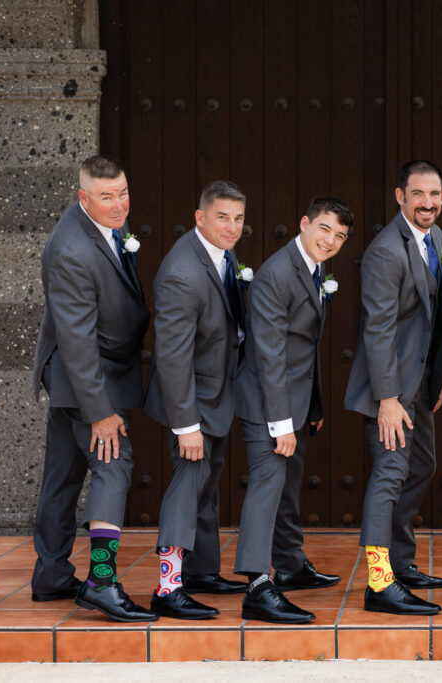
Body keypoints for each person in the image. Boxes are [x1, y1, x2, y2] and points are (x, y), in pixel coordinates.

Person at [30, 154, 155, 622]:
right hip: (86, 377)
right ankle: (101, 580)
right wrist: (101, 411)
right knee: (112, 464)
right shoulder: (70, 251)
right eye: (107, 197)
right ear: (83, 197)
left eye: (123, 192)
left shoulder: (104, 224)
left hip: (86, 372)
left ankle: (52, 574)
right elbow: (77, 342)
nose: (119, 205)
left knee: (63, 474)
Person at [232, 197, 353, 623]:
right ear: (304, 223)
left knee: (287, 484)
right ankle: (257, 585)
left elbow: (305, 348)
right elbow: (270, 355)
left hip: (296, 401)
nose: (330, 240)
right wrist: (281, 424)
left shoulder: (314, 268)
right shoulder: (275, 275)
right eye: (324, 229)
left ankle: (288, 563)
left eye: (339, 236)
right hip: (267, 402)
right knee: (267, 485)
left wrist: (313, 405)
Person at [344, 160, 442, 615]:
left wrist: (434, 380)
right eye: (417, 195)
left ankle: (401, 563)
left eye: (434, 194)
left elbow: (429, 318)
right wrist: (388, 399)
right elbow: (379, 329)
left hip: (419, 387)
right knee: (389, 476)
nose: (427, 203)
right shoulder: (386, 251)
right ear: (399, 196)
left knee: (421, 467)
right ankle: (379, 583)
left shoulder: (434, 238)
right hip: (389, 391)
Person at [142, 181, 251, 619]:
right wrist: (185, 424)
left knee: (207, 484)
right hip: (191, 403)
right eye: (222, 217)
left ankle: (201, 572)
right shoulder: (182, 272)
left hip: (216, 393)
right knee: (188, 486)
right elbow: (171, 355)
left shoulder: (222, 256)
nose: (232, 227)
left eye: (239, 218)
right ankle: (167, 588)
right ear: (199, 217)